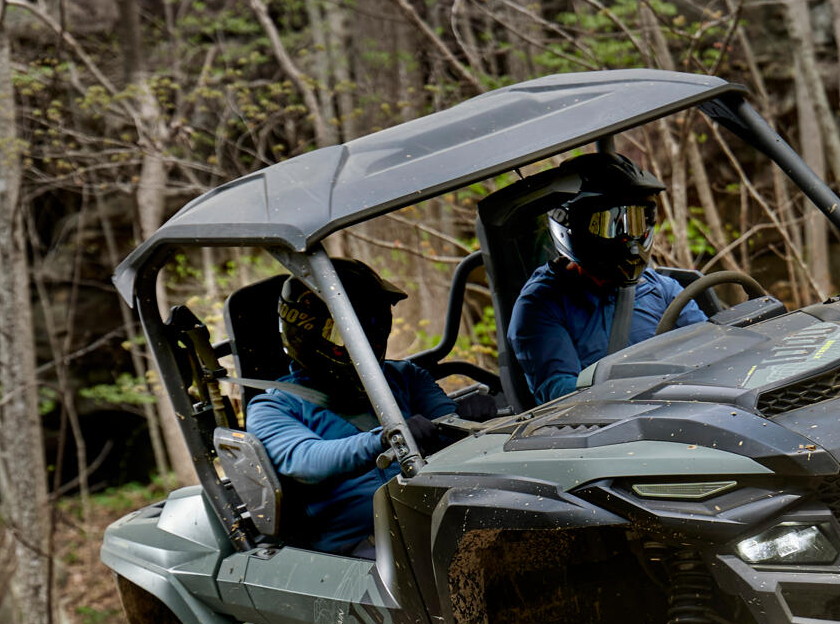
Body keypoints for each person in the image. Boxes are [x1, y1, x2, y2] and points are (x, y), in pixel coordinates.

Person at [246, 257, 497, 558]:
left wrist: (468, 418)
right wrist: (386, 438)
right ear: (307, 332)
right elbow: (307, 460)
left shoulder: (404, 376)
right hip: (362, 546)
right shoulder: (273, 407)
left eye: (377, 323)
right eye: (352, 330)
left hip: (437, 515)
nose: (370, 338)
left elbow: (445, 422)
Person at [507, 152, 706, 403]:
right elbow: (561, 395)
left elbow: (712, 349)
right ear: (570, 225)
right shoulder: (540, 306)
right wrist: (647, 381)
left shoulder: (663, 290)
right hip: (612, 423)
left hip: (687, 408)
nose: (629, 237)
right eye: (610, 224)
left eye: (637, 222)